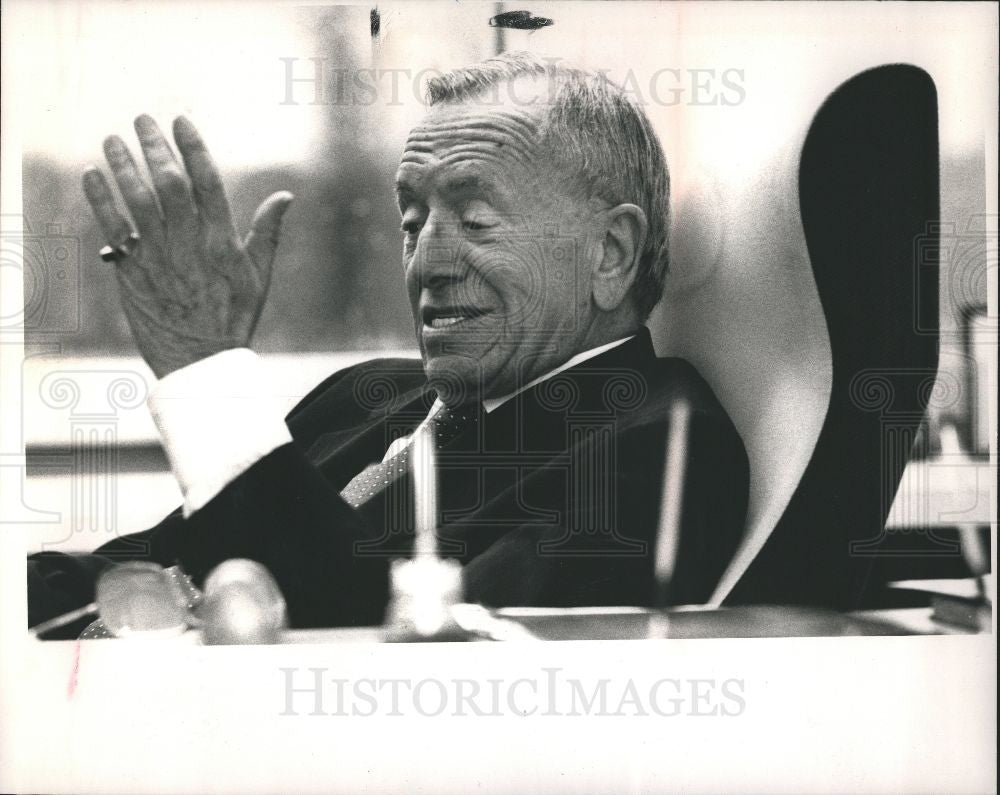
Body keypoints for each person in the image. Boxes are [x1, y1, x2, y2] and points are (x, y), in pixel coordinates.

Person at [28, 52, 749, 636]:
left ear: (611, 253)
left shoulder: (659, 446)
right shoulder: (368, 391)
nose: (426, 263)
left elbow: (416, 663)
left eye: (475, 219)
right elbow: (158, 565)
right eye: (411, 221)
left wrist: (205, 373)